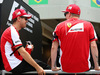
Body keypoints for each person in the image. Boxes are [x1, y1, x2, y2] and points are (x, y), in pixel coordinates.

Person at [51, 4, 100, 73]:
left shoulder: (59, 26)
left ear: (69, 14)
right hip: (84, 67)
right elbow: (93, 46)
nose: (65, 16)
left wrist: (53, 66)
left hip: (65, 68)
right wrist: (97, 66)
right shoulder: (89, 25)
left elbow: (54, 47)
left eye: (65, 14)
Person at [0, 9, 50, 75]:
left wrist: (27, 50)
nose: (27, 21)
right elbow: (22, 53)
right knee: (45, 67)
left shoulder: (12, 30)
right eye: (25, 18)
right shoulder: (12, 31)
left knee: (40, 65)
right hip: (14, 65)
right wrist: (38, 67)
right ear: (18, 18)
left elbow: (18, 53)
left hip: (14, 64)